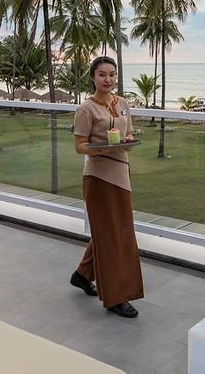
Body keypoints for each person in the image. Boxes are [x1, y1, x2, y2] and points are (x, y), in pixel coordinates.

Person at [69, 56, 144, 318]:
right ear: (93, 77)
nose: (108, 79)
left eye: (112, 74)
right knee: (113, 237)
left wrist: (126, 141)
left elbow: (129, 133)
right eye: (102, 74)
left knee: (113, 231)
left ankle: (82, 275)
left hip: (121, 174)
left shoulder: (122, 104)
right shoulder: (86, 109)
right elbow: (80, 146)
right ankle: (116, 297)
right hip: (99, 178)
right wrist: (103, 149)